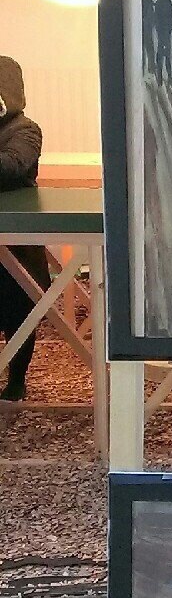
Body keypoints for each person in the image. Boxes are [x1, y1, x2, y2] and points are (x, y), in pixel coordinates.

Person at [0, 57, 51, 401]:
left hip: (19, 240)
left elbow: (11, 165)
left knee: (19, 308)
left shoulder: (25, 130)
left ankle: (17, 379)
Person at [154, 0, 172, 86]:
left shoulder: (158, 2)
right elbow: (171, 17)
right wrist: (170, 28)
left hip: (162, 32)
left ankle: (160, 77)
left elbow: (156, 18)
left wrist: (158, 28)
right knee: (167, 55)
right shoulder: (168, 2)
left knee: (160, 54)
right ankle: (168, 76)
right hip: (166, 32)